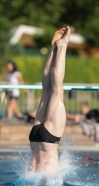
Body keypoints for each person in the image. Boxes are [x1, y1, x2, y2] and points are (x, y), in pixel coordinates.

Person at [28, 26, 71, 173]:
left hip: (41, 143)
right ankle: (57, 47)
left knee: (53, 90)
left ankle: (58, 47)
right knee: (50, 90)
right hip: (35, 138)